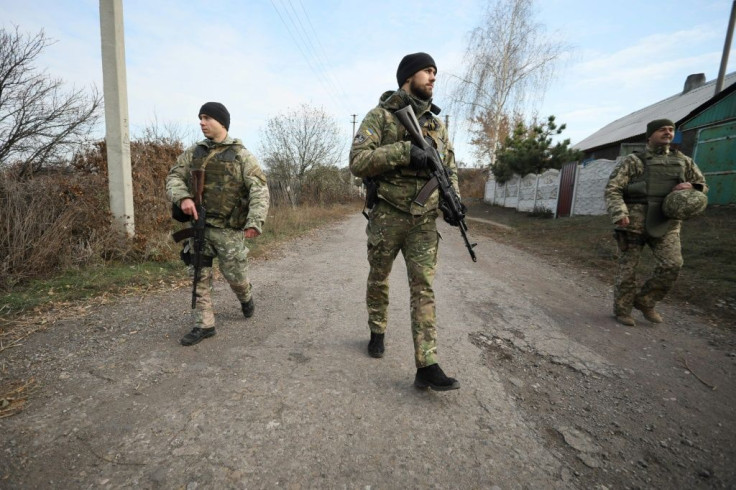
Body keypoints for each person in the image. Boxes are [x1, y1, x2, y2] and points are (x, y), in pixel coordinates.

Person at [349, 52, 461, 391]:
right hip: (387, 214)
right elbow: (357, 161)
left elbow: (449, 167)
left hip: (424, 220)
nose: (433, 77)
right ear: (408, 76)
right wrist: (404, 152)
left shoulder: (437, 126)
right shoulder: (380, 117)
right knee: (379, 277)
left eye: (435, 72)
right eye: (427, 71)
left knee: (423, 287)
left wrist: (453, 202)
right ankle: (377, 330)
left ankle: (427, 364)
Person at [166, 102, 269, 346]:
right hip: (199, 227)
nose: (201, 122)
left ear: (221, 122)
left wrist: (255, 221)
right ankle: (204, 325)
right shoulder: (194, 152)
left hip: (229, 232)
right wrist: (183, 198)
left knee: (235, 276)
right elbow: (174, 176)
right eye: (200, 118)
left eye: (207, 118)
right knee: (199, 276)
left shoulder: (241, 155)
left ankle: (245, 296)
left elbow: (259, 189)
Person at [604, 119, 707, 327]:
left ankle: (645, 301)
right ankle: (622, 310)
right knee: (627, 269)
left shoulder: (684, 161)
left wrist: (693, 185)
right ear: (649, 135)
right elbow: (613, 188)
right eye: (662, 130)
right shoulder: (634, 161)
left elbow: (703, 185)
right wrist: (619, 213)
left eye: (671, 130)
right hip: (632, 223)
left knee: (673, 264)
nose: (668, 133)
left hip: (667, 223)